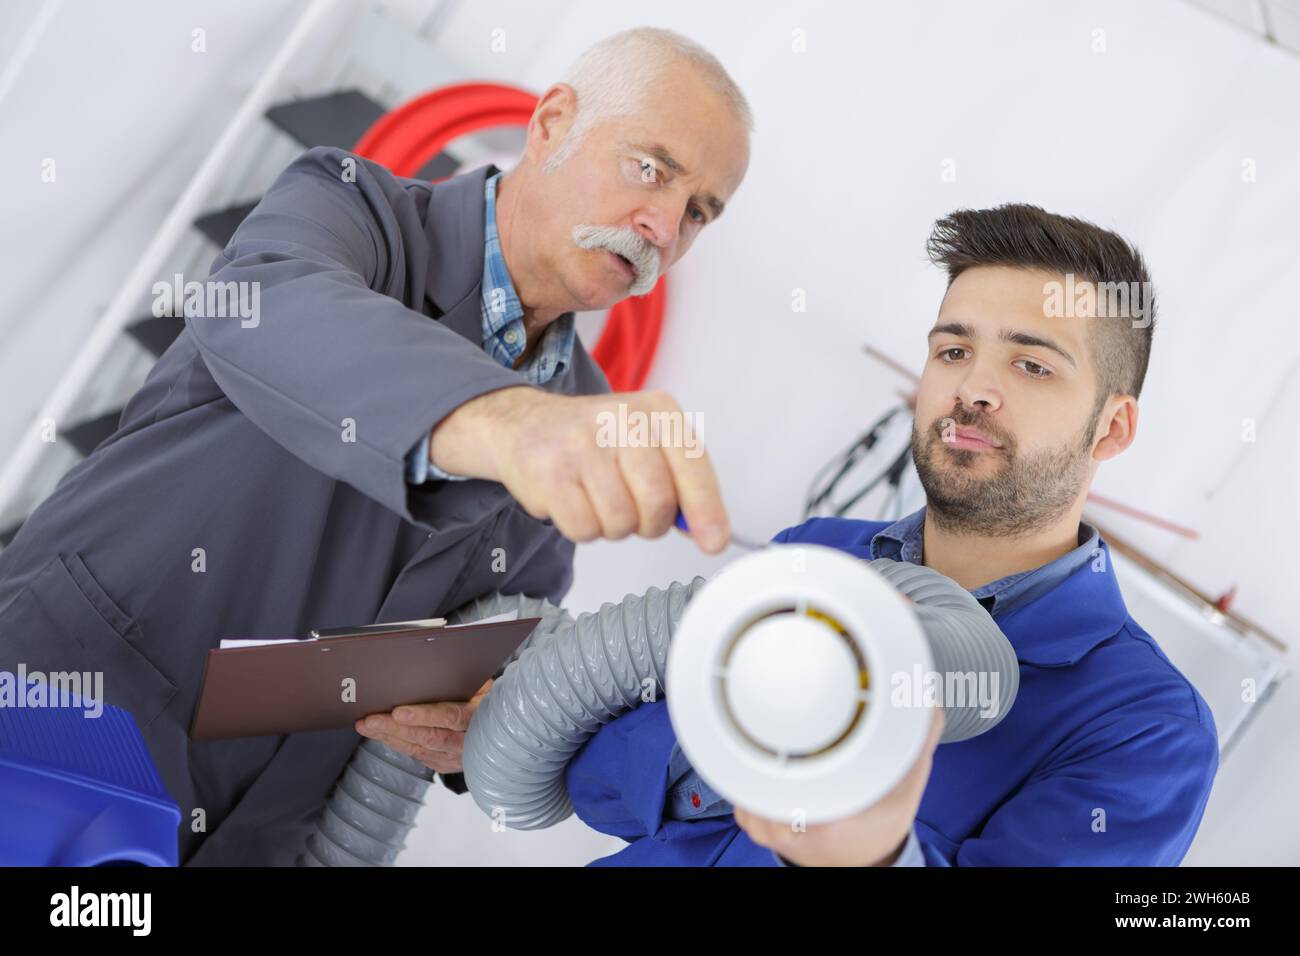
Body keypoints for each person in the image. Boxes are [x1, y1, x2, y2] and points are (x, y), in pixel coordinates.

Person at [0, 27, 751, 865]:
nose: (663, 226)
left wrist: (479, 722)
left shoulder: (581, 411)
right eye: (650, 168)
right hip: (68, 711)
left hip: (256, 835)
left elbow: (495, 630)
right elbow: (276, 307)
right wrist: (506, 422)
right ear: (551, 124)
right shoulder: (351, 208)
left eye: (699, 212)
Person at [564, 204, 1219, 866]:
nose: (974, 388)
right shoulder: (817, 553)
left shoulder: (1147, 729)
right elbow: (597, 790)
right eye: (954, 351)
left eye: (1031, 365)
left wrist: (873, 853)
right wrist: (734, 760)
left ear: (1112, 428)